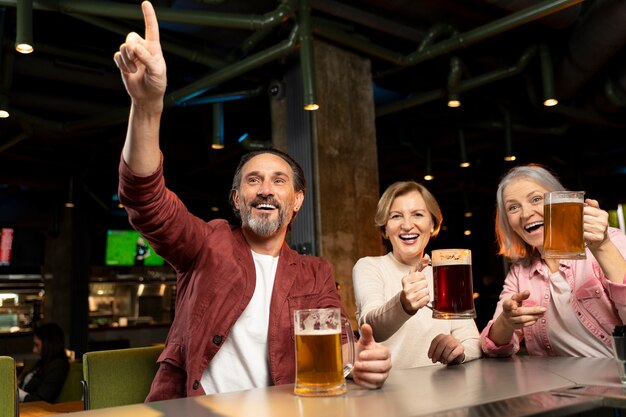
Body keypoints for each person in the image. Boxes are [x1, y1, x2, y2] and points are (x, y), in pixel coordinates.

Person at [113, 1, 391, 400]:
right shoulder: (207, 243)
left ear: (296, 201)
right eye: (253, 180)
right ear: (236, 198)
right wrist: (147, 105)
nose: (265, 189)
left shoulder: (315, 273)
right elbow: (145, 199)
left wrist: (361, 363)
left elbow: (344, 351)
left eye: (279, 181)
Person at [481, 164, 626, 357]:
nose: (525, 214)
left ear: (561, 202)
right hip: (557, 385)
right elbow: (494, 348)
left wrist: (602, 246)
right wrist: (506, 322)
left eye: (536, 199)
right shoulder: (520, 273)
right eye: (513, 207)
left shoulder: (611, 242)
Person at [353, 181, 482, 368]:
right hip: (389, 393)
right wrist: (403, 304)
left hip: (443, 392)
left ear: (432, 224)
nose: (407, 225)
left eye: (418, 214)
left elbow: (473, 341)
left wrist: (458, 350)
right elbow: (371, 328)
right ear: (385, 229)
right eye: (396, 216)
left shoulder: (446, 274)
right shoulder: (369, 266)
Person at [18, 323, 69, 403]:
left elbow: (41, 400)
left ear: (48, 344)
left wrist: (17, 392)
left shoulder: (58, 365)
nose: (34, 350)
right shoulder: (43, 362)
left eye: (37, 345)